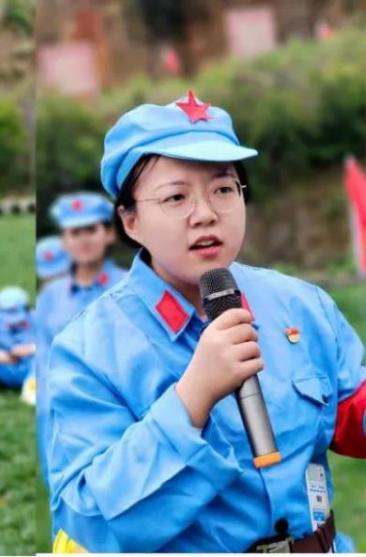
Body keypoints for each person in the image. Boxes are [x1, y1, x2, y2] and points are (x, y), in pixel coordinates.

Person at [41, 91, 366, 552]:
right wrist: (192, 397)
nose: (207, 214)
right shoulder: (88, 349)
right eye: (176, 197)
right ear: (130, 220)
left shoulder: (299, 304)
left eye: (224, 190)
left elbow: (350, 414)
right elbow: (89, 518)